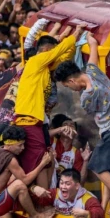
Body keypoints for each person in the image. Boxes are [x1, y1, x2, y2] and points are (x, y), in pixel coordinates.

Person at [55, 33, 110, 215]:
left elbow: (88, 114)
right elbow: (93, 52)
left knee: (97, 166)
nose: (70, 89)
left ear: (72, 80)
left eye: (68, 86)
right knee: (108, 171)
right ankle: (105, 204)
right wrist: (91, 39)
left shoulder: (87, 96)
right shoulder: (92, 71)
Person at [14, 25, 85, 189]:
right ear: (45, 50)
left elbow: (64, 57)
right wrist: (77, 33)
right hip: (28, 119)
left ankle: (45, 194)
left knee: (46, 158)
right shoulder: (36, 61)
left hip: (36, 120)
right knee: (41, 159)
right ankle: (42, 199)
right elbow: (59, 51)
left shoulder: (45, 68)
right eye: (51, 51)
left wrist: (71, 42)